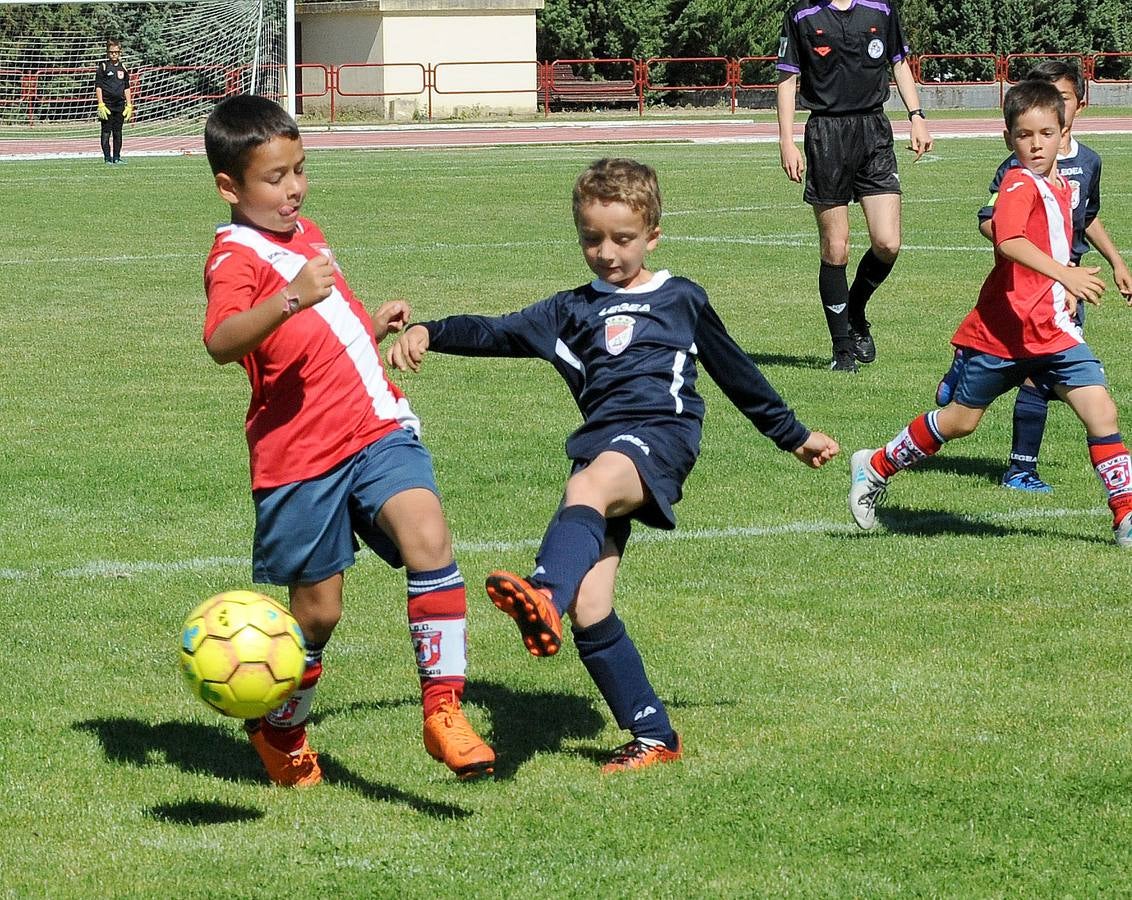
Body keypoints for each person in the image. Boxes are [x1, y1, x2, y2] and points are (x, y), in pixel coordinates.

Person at [387, 158, 840, 773]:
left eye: (622, 239)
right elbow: (492, 331)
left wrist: (792, 435)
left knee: (590, 482)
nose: (606, 252)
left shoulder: (681, 298)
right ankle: (653, 733)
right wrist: (429, 332)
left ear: (653, 234)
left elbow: (738, 373)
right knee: (592, 605)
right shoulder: (567, 312)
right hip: (605, 445)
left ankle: (544, 591)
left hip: (662, 436)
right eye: (591, 238)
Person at [202, 94, 495, 786]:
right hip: (299, 457)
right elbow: (221, 341)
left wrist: (376, 324)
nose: (294, 188)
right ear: (229, 187)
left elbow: (328, 337)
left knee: (429, 535)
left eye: (299, 170)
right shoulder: (234, 255)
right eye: (275, 178)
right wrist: (292, 295)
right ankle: (278, 728)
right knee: (318, 613)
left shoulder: (308, 233)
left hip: (375, 426)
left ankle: (443, 710)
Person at [849, 80, 1132, 548]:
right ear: (1009, 139)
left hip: (1055, 333)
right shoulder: (1019, 183)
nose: (1036, 143)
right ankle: (875, 465)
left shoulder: (1060, 185)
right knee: (960, 421)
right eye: (1024, 135)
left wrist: (1065, 290)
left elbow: (1058, 241)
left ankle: (1124, 515)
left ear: (1065, 133)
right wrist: (1064, 275)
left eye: (1046, 133)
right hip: (1003, 334)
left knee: (1101, 410)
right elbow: (1008, 240)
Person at [936, 59, 1132, 493]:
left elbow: (1087, 218)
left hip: (1067, 291)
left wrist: (1116, 262)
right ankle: (1018, 462)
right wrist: (1049, 261)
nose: (1045, 122)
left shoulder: (1087, 163)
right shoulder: (1018, 172)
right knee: (998, 399)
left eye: (1061, 100)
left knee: (1077, 396)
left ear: (1076, 108)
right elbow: (997, 227)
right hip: (1030, 290)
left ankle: (1112, 505)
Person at [776, 0, 933, 373]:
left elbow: (899, 62)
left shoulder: (880, 9)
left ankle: (856, 309)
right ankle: (842, 351)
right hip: (826, 134)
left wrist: (917, 116)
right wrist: (786, 140)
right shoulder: (801, 14)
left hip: (874, 131)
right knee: (836, 247)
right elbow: (787, 79)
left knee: (888, 242)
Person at [94, 38, 133, 165]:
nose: (114, 54)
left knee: (118, 132)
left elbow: (127, 87)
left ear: (120, 52)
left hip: (120, 105)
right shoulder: (104, 67)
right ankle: (107, 158)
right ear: (108, 53)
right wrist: (100, 104)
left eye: (116, 52)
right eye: (111, 52)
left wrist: (129, 104)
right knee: (106, 131)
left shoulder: (123, 68)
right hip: (107, 105)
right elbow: (98, 86)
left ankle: (117, 157)